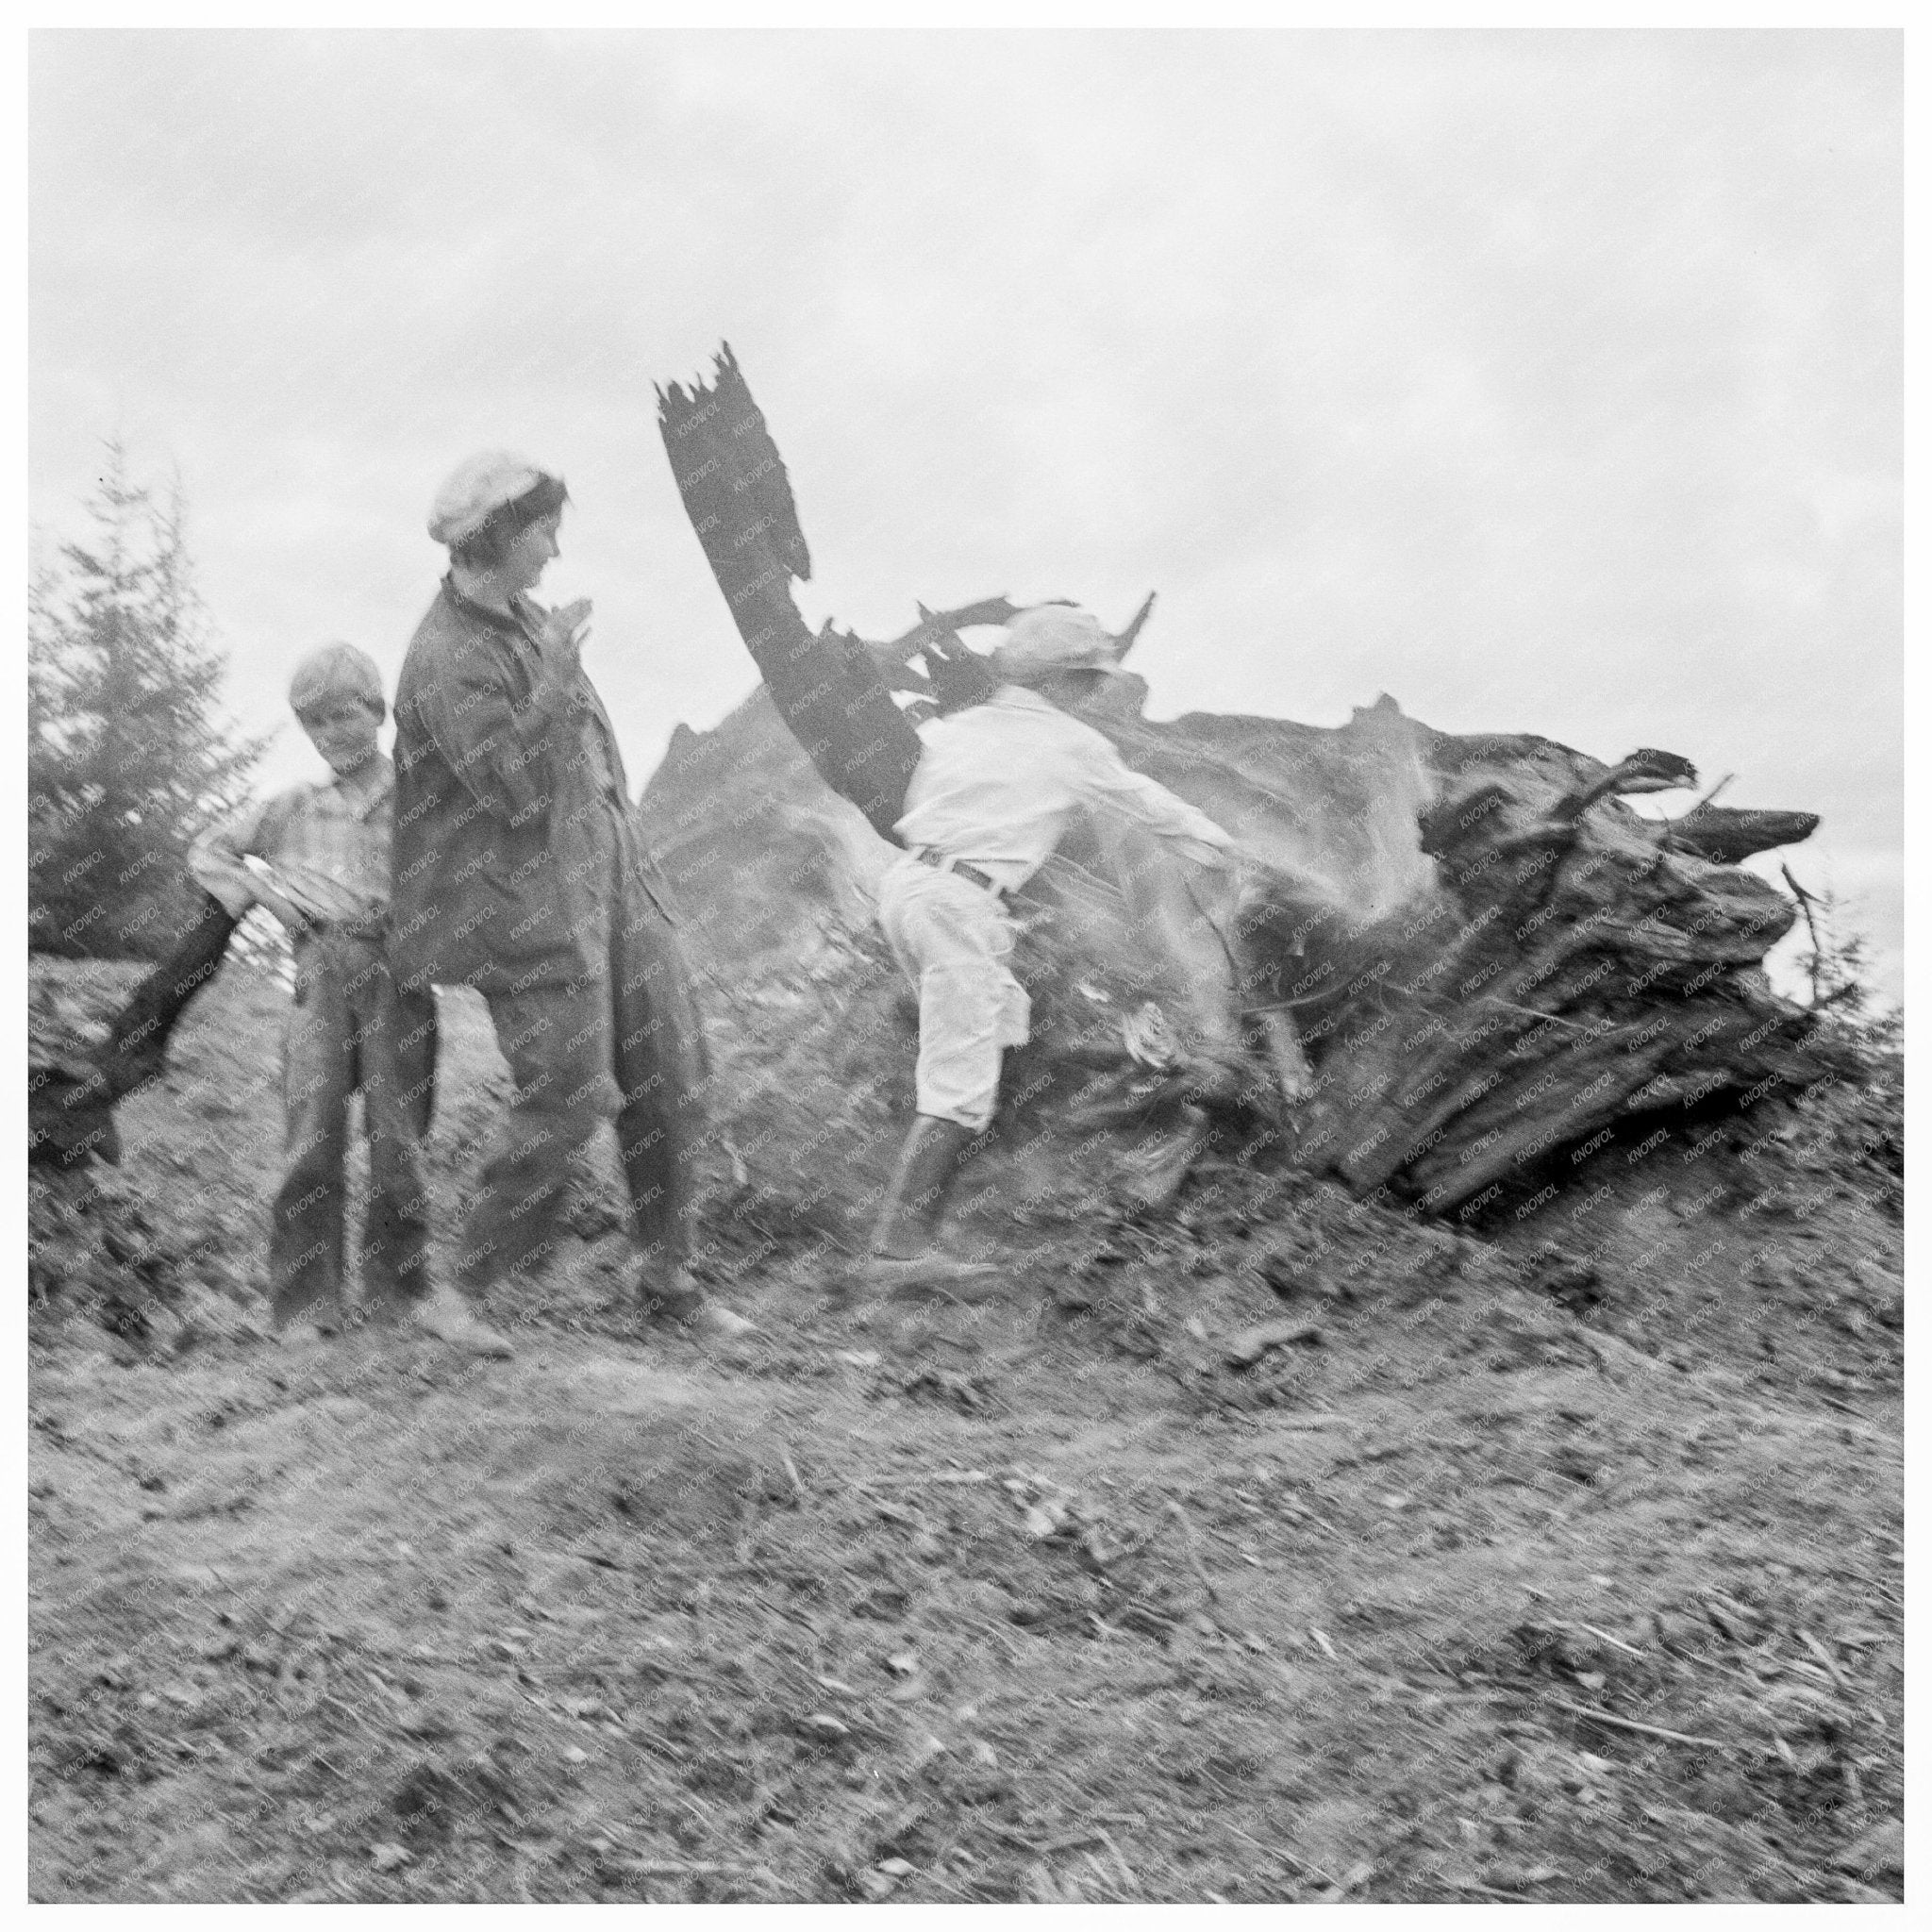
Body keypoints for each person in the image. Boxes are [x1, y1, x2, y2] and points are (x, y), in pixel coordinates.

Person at [389, 451, 756, 1347]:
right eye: (544, 529)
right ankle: (461, 1289)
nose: (556, 548)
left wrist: (633, 868)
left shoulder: (528, 619)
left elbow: (594, 762)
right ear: (498, 537)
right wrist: (553, 675)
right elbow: (511, 790)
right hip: (524, 908)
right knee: (569, 1092)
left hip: (616, 881)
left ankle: (667, 1275)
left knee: (671, 1076)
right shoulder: (444, 656)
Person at [864, 605, 1244, 1294]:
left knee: (1001, 1023)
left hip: (912, 889)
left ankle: (972, 1183)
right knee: (958, 1079)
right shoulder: (1071, 745)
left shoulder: (958, 729)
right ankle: (899, 1256)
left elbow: (957, 812)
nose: (1094, 696)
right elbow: (1144, 803)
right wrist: (1217, 848)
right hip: (961, 907)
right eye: (1089, 682)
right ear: (1066, 681)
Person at [188, 643, 444, 1343]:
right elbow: (211, 848)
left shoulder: (420, 799)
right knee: (311, 1137)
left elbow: (464, 870)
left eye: (347, 714)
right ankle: (305, 1307)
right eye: (317, 723)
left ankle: (400, 1296)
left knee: (400, 1141)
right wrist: (268, 899)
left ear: (379, 712)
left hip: (401, 971)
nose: (334, 732)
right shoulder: (293, 807)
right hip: (320, 971)